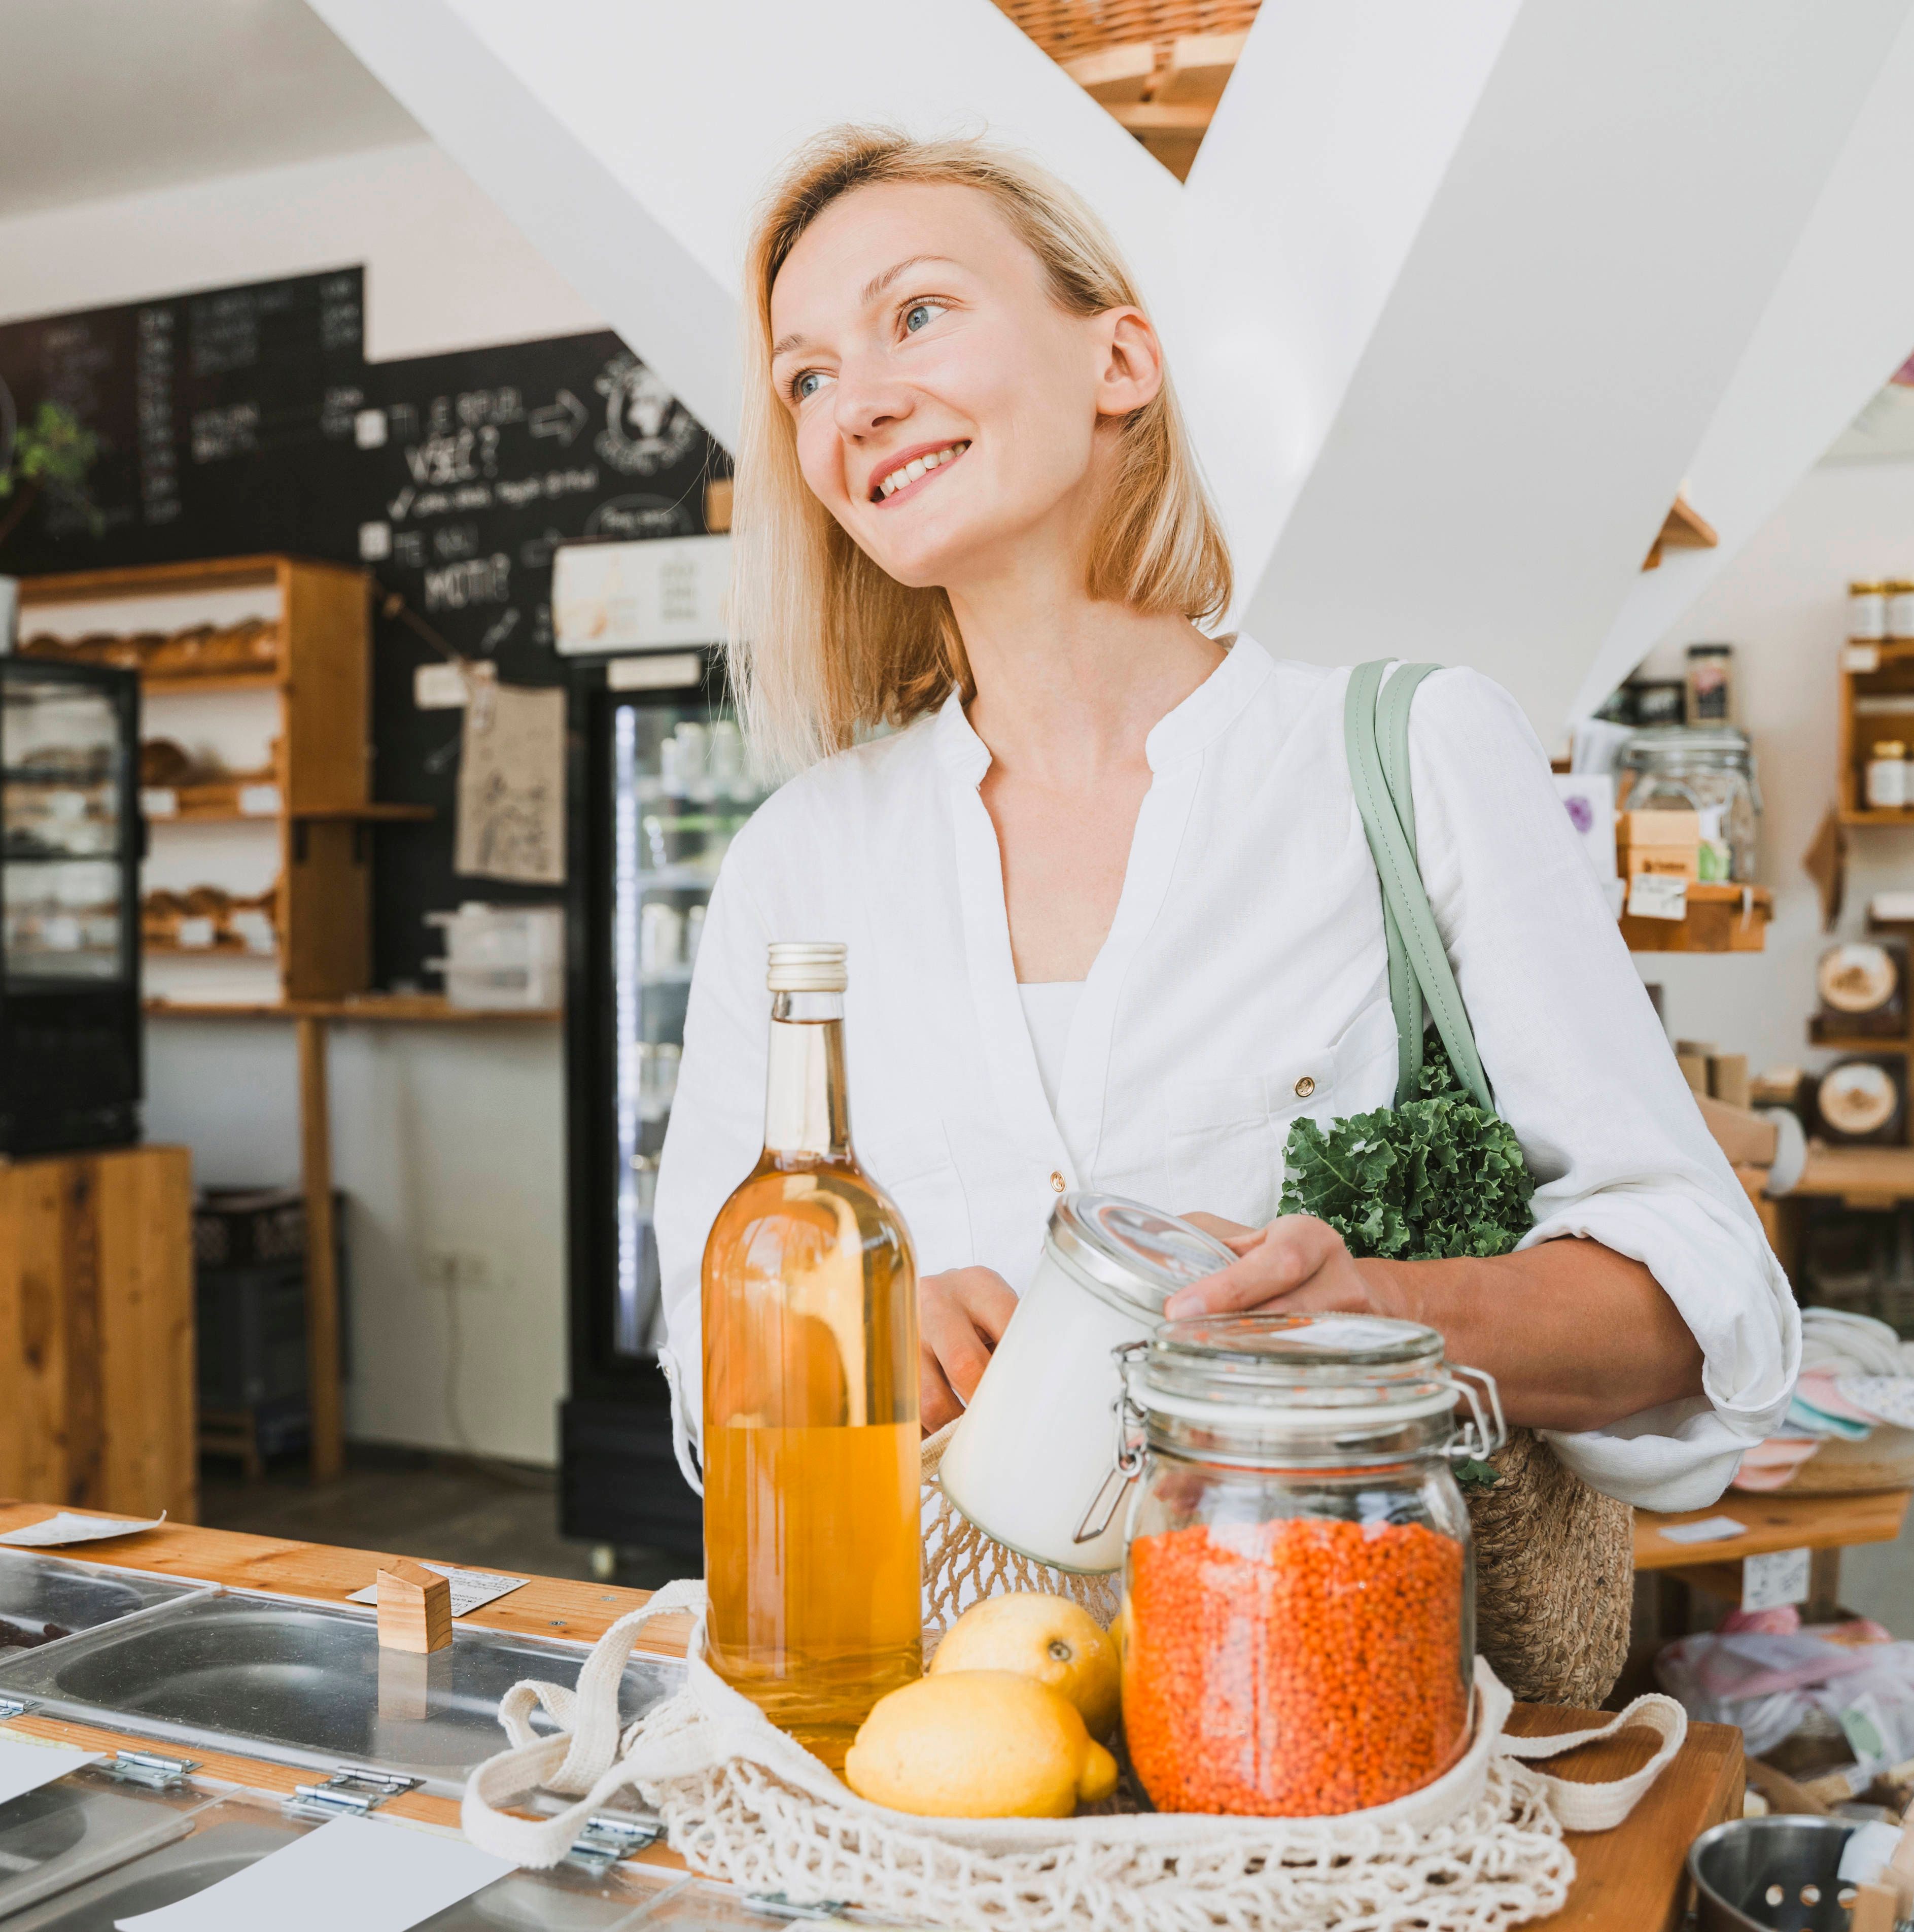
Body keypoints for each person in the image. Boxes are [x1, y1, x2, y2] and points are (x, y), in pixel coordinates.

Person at [651, 127, 1797, 1511]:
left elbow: (1700, 1290)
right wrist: (844, 1342)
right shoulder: (801, 863)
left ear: (1120, 362)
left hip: (1315, 1624)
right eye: (808, 378)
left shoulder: (1411, 757)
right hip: (936, 1649)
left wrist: (1379, 1313)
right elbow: (707, 1348)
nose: (858, 405)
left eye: (920, 314)